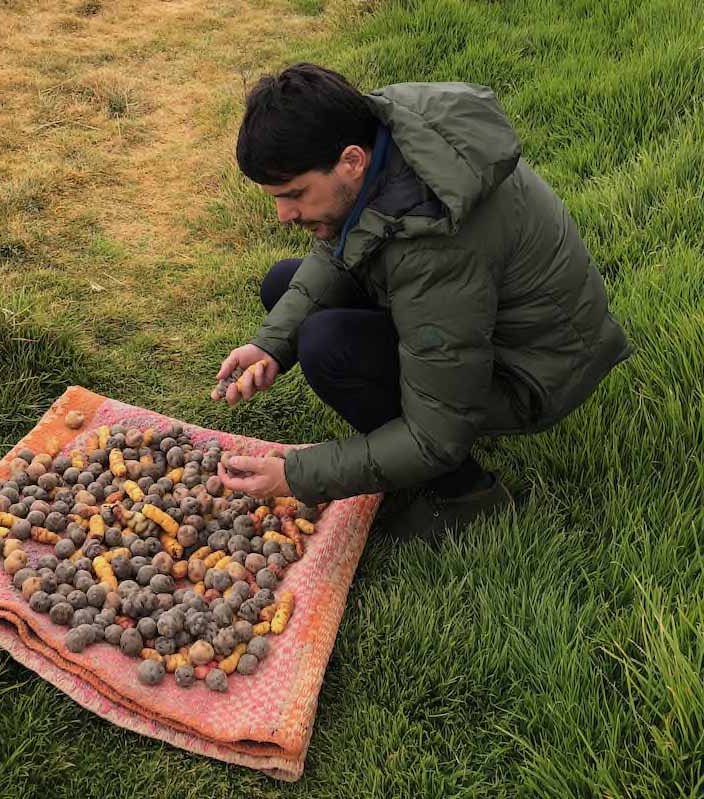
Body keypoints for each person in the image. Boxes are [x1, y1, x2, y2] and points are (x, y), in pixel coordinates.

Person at [214, 63, 631, 541]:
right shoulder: (382, 136)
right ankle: (403, 457)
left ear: (351, 162)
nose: (283, 214)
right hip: (479, 322)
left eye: (295, 194)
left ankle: (470, 498)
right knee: (283, 285)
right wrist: (270, 345)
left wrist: (298, 475)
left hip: (533, 371)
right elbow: (343, 243)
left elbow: (437, 435)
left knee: (329, 344)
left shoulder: (436, 244)